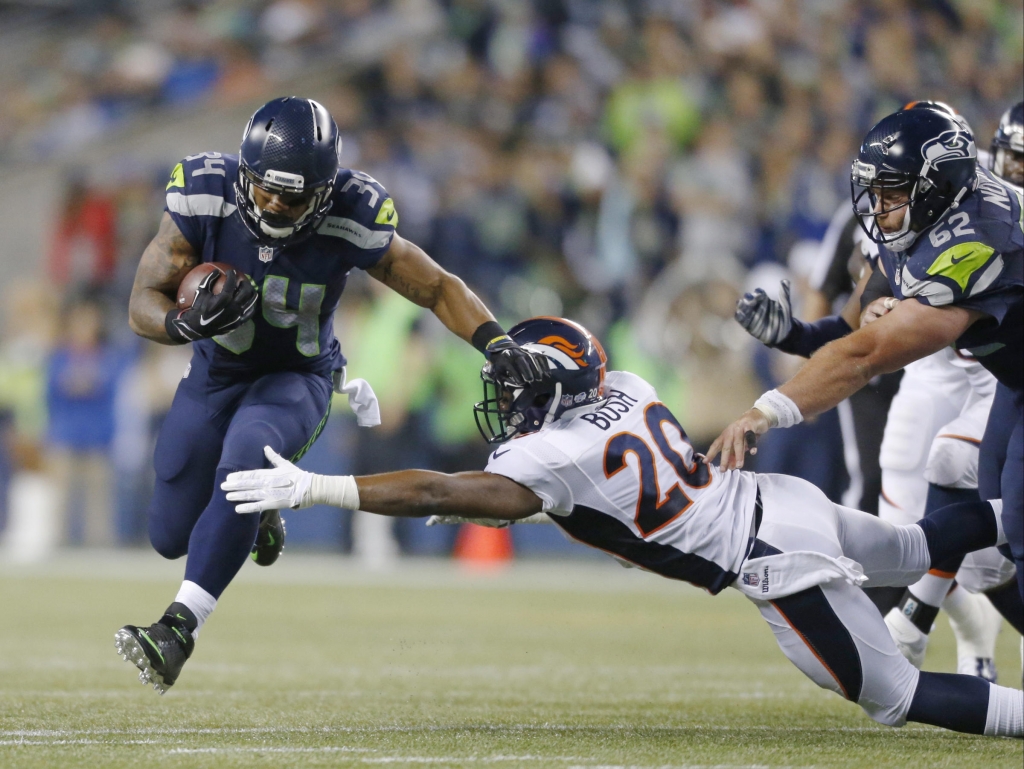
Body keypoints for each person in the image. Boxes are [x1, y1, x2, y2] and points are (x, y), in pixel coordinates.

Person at [222, 317, 1022, 737]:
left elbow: (445, 482)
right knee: (917, 545)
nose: (507, 400)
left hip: (770, 556)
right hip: (784, 499)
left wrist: (320, 485)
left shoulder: (553, 451)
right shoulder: (628, 385)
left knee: (894, 696)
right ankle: (1008, 508)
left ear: (552, 392)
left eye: (517, 386)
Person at [115, 96, 547, 694]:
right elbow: (142, 300)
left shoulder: (353, 213)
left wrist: (496, 343)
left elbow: (436, 286)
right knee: (167, 534)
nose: (271, 203)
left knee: (246, 464)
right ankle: (262, 516)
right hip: (215, 374)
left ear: (322, 191)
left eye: (290, 197)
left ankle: (178, 629)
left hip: (296, 377)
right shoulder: (204, 192)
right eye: (263, 188)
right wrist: (180, 325)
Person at [733, 101, 1021, 681]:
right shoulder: (932, 213)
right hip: (1013, 377)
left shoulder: (977, 238)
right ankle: (917, 606)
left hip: (997, 378)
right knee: (996, 549)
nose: (880, 207)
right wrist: (792, 334)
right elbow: (854, 325)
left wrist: (769, 410)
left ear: (937, 186)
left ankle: (912, 613)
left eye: (893, 191)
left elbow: (867, 355)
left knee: (1014, 517)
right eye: (877, 190)